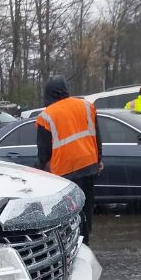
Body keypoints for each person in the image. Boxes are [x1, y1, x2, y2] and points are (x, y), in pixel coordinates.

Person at [35, 76, 102, 243]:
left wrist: (39, 167)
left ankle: (75, 243)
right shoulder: (86, 105)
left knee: (70, 212)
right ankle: (85, 239)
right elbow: (97, 135)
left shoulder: (46, 116)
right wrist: (99, 158)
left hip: (65, 171)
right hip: (89, 164)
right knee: (87, 206)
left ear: (48, 94)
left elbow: (44, 151)